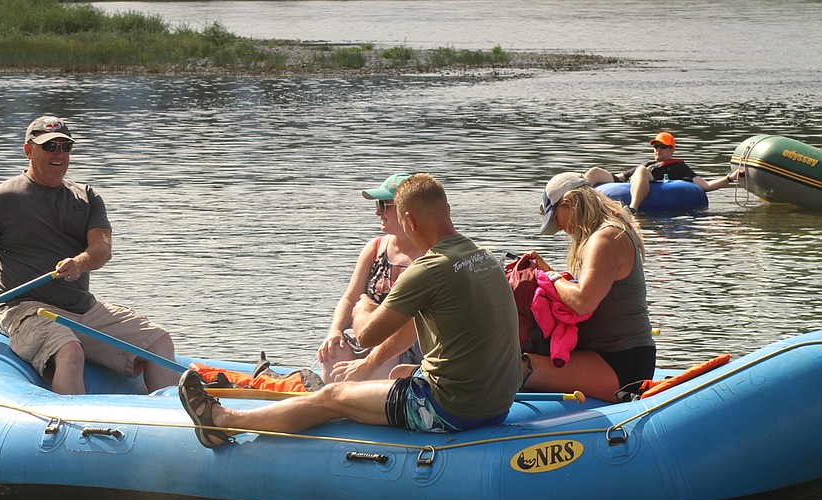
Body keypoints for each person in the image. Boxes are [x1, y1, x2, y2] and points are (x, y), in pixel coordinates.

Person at [178, 173, 522, 447]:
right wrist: (370, 360)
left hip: (451, 411)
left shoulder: (427, 269)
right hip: (497, 405)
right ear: (447, 210)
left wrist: (365, 305)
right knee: (399, 375)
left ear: (409, 221)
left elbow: (365, 333)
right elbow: (416, 324)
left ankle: (222, 423)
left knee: (332, 396)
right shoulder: (484, 255)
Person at [0, 115, 178, 395]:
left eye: (65, 147)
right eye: (49, 147)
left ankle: (173, 423)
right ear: (28, 150)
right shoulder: (1, 200)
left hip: (82, 308)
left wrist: (80, 263)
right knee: (70, 351)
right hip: (25, 309)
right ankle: (76, 431)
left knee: (159, 342)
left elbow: (102, 248)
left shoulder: (86, 197)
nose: (58, 154)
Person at [524, 172, 656, 402]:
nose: (561, 228)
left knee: (518, 368)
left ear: (572, 202)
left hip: (622, 364)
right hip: (605, 356)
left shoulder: (606, 237)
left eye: (556, 218)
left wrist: (550, 275)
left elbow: (584, 302)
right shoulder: (608, 232)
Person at [316, 173, 425, 382]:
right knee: (333, 350)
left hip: (406, 345)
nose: (377, 212)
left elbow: (414, 324)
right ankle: (341, 402)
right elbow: (349, 299)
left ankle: (367, 402)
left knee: (387, 357)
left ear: (406, 210)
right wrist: (335, 330)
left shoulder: (427, 257)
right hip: (366, 335)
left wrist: (371, 311)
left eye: (384, 205)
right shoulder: (374, 248)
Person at [583, 131, 744, 214]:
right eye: (655, 147)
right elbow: (620, 176)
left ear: (672, 149)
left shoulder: (679, 167)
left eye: (662, 147)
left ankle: (633, 208)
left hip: (651, 183)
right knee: (595, 171)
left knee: (641, 171)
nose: (658, 150)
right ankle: (577, 200)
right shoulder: (648, 163)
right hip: (628, 183)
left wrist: (730, 177)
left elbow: (706, 186)